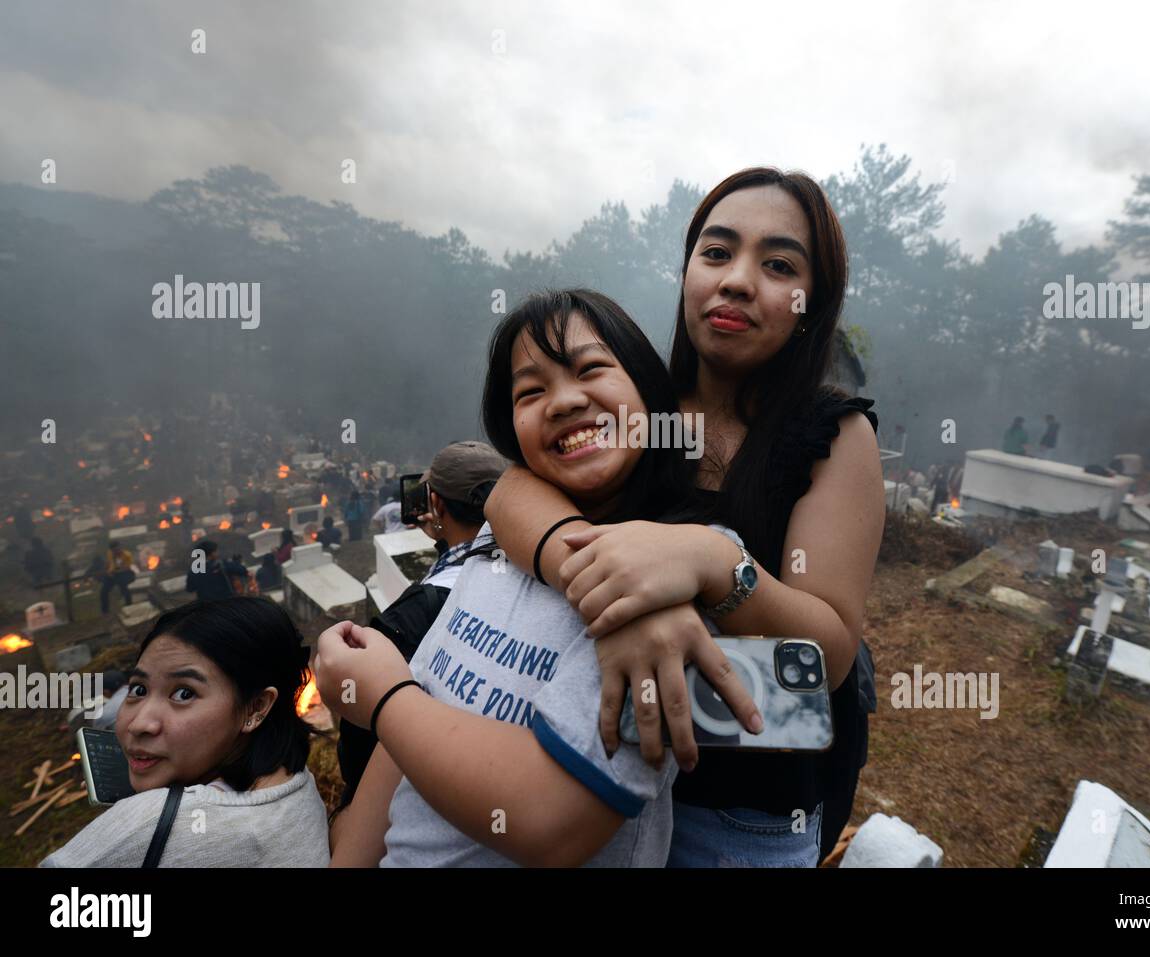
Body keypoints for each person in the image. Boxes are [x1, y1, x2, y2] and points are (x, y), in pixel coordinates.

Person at [485, 169, 884, 866]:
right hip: (597, 783)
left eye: (778, 264)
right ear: (688, 271)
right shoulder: (644, 402)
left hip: (736, 823)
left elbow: (827, 655)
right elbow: (510, 494)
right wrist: (609, 585)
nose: (736, 280)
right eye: (717, 252)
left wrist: (709, 561)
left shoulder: (833, 436)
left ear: (809, 301)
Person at [320, 289, 736, 867]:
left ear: (648, 388)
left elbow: (551, 821)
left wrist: (384, 697)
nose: (563, 401)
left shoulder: (671, 576)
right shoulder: (497, 544)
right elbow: (418, 726)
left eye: (591, 368)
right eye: (531, 390)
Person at [41, 597, 330, 867]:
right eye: (138, 689)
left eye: (183, 693)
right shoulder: (301, 787)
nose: (139, 723)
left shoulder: (149, 823)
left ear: (255, 708)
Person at [332, 440, 509, 821]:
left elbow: (362, 726)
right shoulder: (523, 574)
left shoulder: (416, 609)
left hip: (404, 800)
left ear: (437, 504)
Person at [99, 543, 136, 614]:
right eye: (114, 550)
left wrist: (116, 571)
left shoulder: (127, 555)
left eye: (117, 549)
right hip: (112, 574)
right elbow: (108, 563)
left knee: (123, 585)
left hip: (125, 573)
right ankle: (105, 611)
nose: (116, 552)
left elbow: (127, 567)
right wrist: (107, 571)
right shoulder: (110, 554)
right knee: (103, 592)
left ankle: (129, 605)